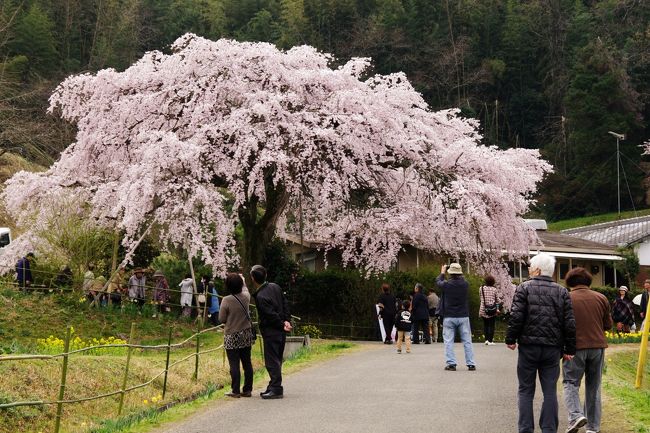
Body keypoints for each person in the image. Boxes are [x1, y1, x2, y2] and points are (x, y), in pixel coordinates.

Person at [505, 253, 576, 433]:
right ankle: (549, 429)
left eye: (530, 267)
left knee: (526, 390)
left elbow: (516, 316)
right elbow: (569, 322)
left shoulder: (524, 288)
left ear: (536, 269)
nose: (528, 270)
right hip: (553, 349)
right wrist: (570, 348)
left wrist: (511, 338)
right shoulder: (562, 292)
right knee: (550, 391)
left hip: (528, 346)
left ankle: (526, 429)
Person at [562, 267, 612, 433]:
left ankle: (576, 416)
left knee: (570, 382)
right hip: (597, 347)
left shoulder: (566, 298)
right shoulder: (601, 297)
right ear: (588, 281)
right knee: (594, 386)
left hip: (574, 348)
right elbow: (608, 325)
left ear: (569, 282)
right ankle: (592, 428)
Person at [251, 264, 291, 399]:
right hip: (281, 330)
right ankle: (273, 385)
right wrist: (286, 320)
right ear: (266, 275)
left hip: (272, 331)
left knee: (272, 360)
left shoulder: (261, 296)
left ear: (253, 279)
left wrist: (281, 323)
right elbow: (285, 303)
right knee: (277, 358)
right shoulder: (275, 287)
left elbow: (270, 315)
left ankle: (276, 388)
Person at [218, 273, 254, 398]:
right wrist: (242, 280)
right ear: (241, 284)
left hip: (231, 335)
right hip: (246, 333)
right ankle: (248, 389)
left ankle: (235, 390)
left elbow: (221, 318)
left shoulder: (226, 300)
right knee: (247, 362)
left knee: (234, 363)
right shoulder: (246, 297)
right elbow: (245, 289)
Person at [436, 263, 475, 370]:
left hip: (449, 316)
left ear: (451, 273)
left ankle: (451, 363)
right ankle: (471, 363)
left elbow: (438, 282)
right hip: (463, 315)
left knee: (449, 341)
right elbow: (463, 280)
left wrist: (442, 272)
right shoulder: (465, 284)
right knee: (467, 340)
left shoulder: (446, 285)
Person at [479, 275, 502, 346]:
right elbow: (498, 300)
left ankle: (486, 340)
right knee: (491, 325)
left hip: (483, 309)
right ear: (493, 282)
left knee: (485, 325)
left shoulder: (481, 288)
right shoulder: (494, 289)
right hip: (492, 309)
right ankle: (490, 341)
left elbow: (480, 297)